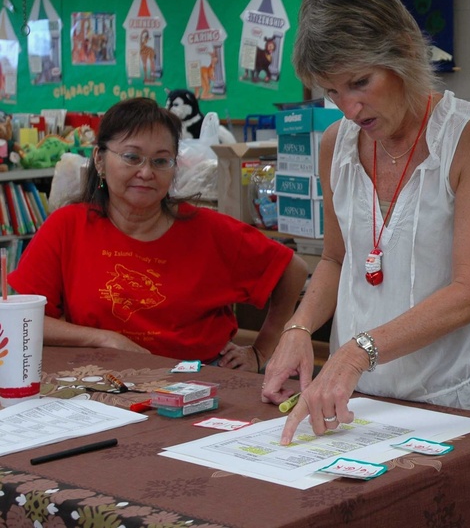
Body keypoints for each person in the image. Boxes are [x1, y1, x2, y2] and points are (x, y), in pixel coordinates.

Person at [261, 0, 470, 441]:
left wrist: (355, 351)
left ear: (406, 51)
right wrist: (299, 328)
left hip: (463, 399)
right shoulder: (337, 145)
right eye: (331, 93)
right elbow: (335, 257)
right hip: (369, 399)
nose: (349, 108)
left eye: (360, 82)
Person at [9, 97, 308, 371]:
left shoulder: (208, 229)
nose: (146, 172)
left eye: (161, 160)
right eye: (131, 157)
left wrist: (262, 351)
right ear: (100, 160)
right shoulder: (67, 226)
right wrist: (105, 339)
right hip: (101, 379)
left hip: (200, 382)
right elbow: (21, 319)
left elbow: (293, 269)